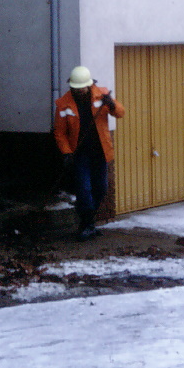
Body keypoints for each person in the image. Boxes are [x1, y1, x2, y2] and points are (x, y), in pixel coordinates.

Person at [54, 66, 125, 241]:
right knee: (84, 190)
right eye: (75, 88)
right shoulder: (64, 104)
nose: (78, 91)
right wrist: (66, 152)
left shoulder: (102, 95)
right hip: (79, 155)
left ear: (89, 85)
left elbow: (120, 113)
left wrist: (112, 104)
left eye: (82, 88)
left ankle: (89, 222)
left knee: (101, 189)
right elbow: (60, 132)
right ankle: (86, 225)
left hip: (100, 151)